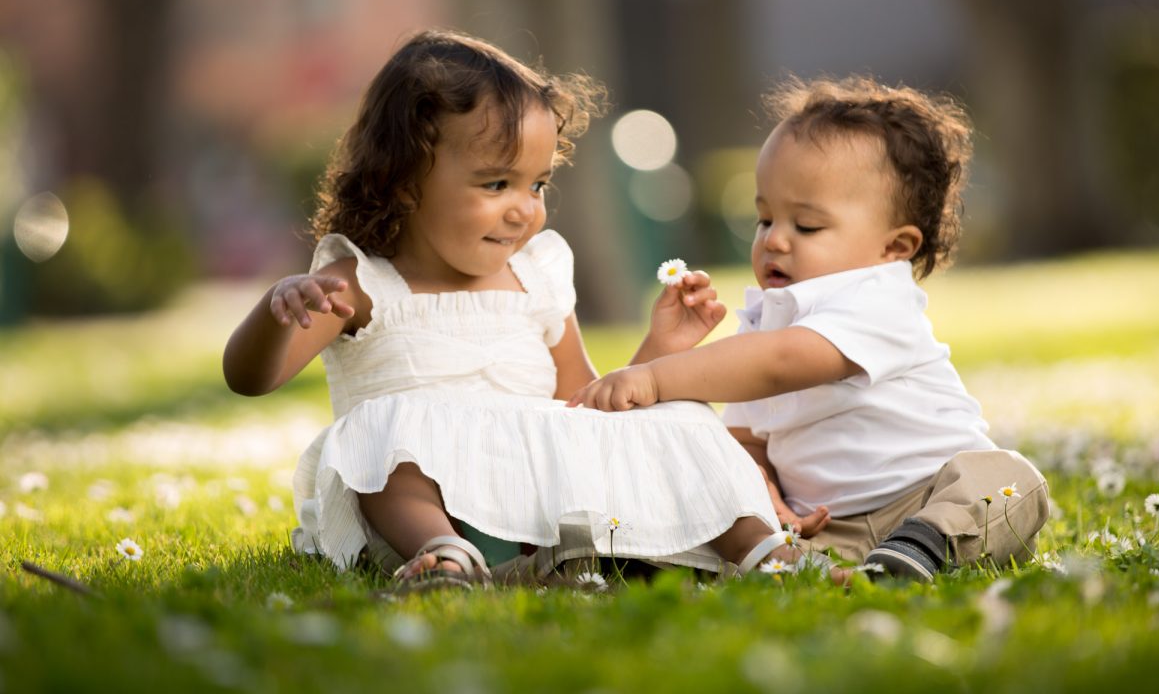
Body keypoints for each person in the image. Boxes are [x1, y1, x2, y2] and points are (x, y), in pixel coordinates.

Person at [223, 29, 830, 589]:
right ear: (404, 181)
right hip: (429, 507)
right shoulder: (359, 284)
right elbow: (251, 379)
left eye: (536, 184)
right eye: (496, 185)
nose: (524, 210)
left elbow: (585, 406)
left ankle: (766, 553)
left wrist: (659, 351)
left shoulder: (536, 276)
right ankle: (444, 555)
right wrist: (278, 312)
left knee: (686, 420)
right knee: (387, 438)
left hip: (539, 497)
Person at [569, 76, 1049, 581]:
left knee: (1008, 480)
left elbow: (782, 364)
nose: (774, 241)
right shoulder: (768, 320)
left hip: (928, 498)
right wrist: (763, 491)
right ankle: (798, 565)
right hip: (822, 527)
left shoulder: (879, 299)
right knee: (712, 482)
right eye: (763, 220)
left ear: (895, 248)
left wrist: (656, 378)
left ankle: (924, 547)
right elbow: (746, 437)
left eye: (807, 226)